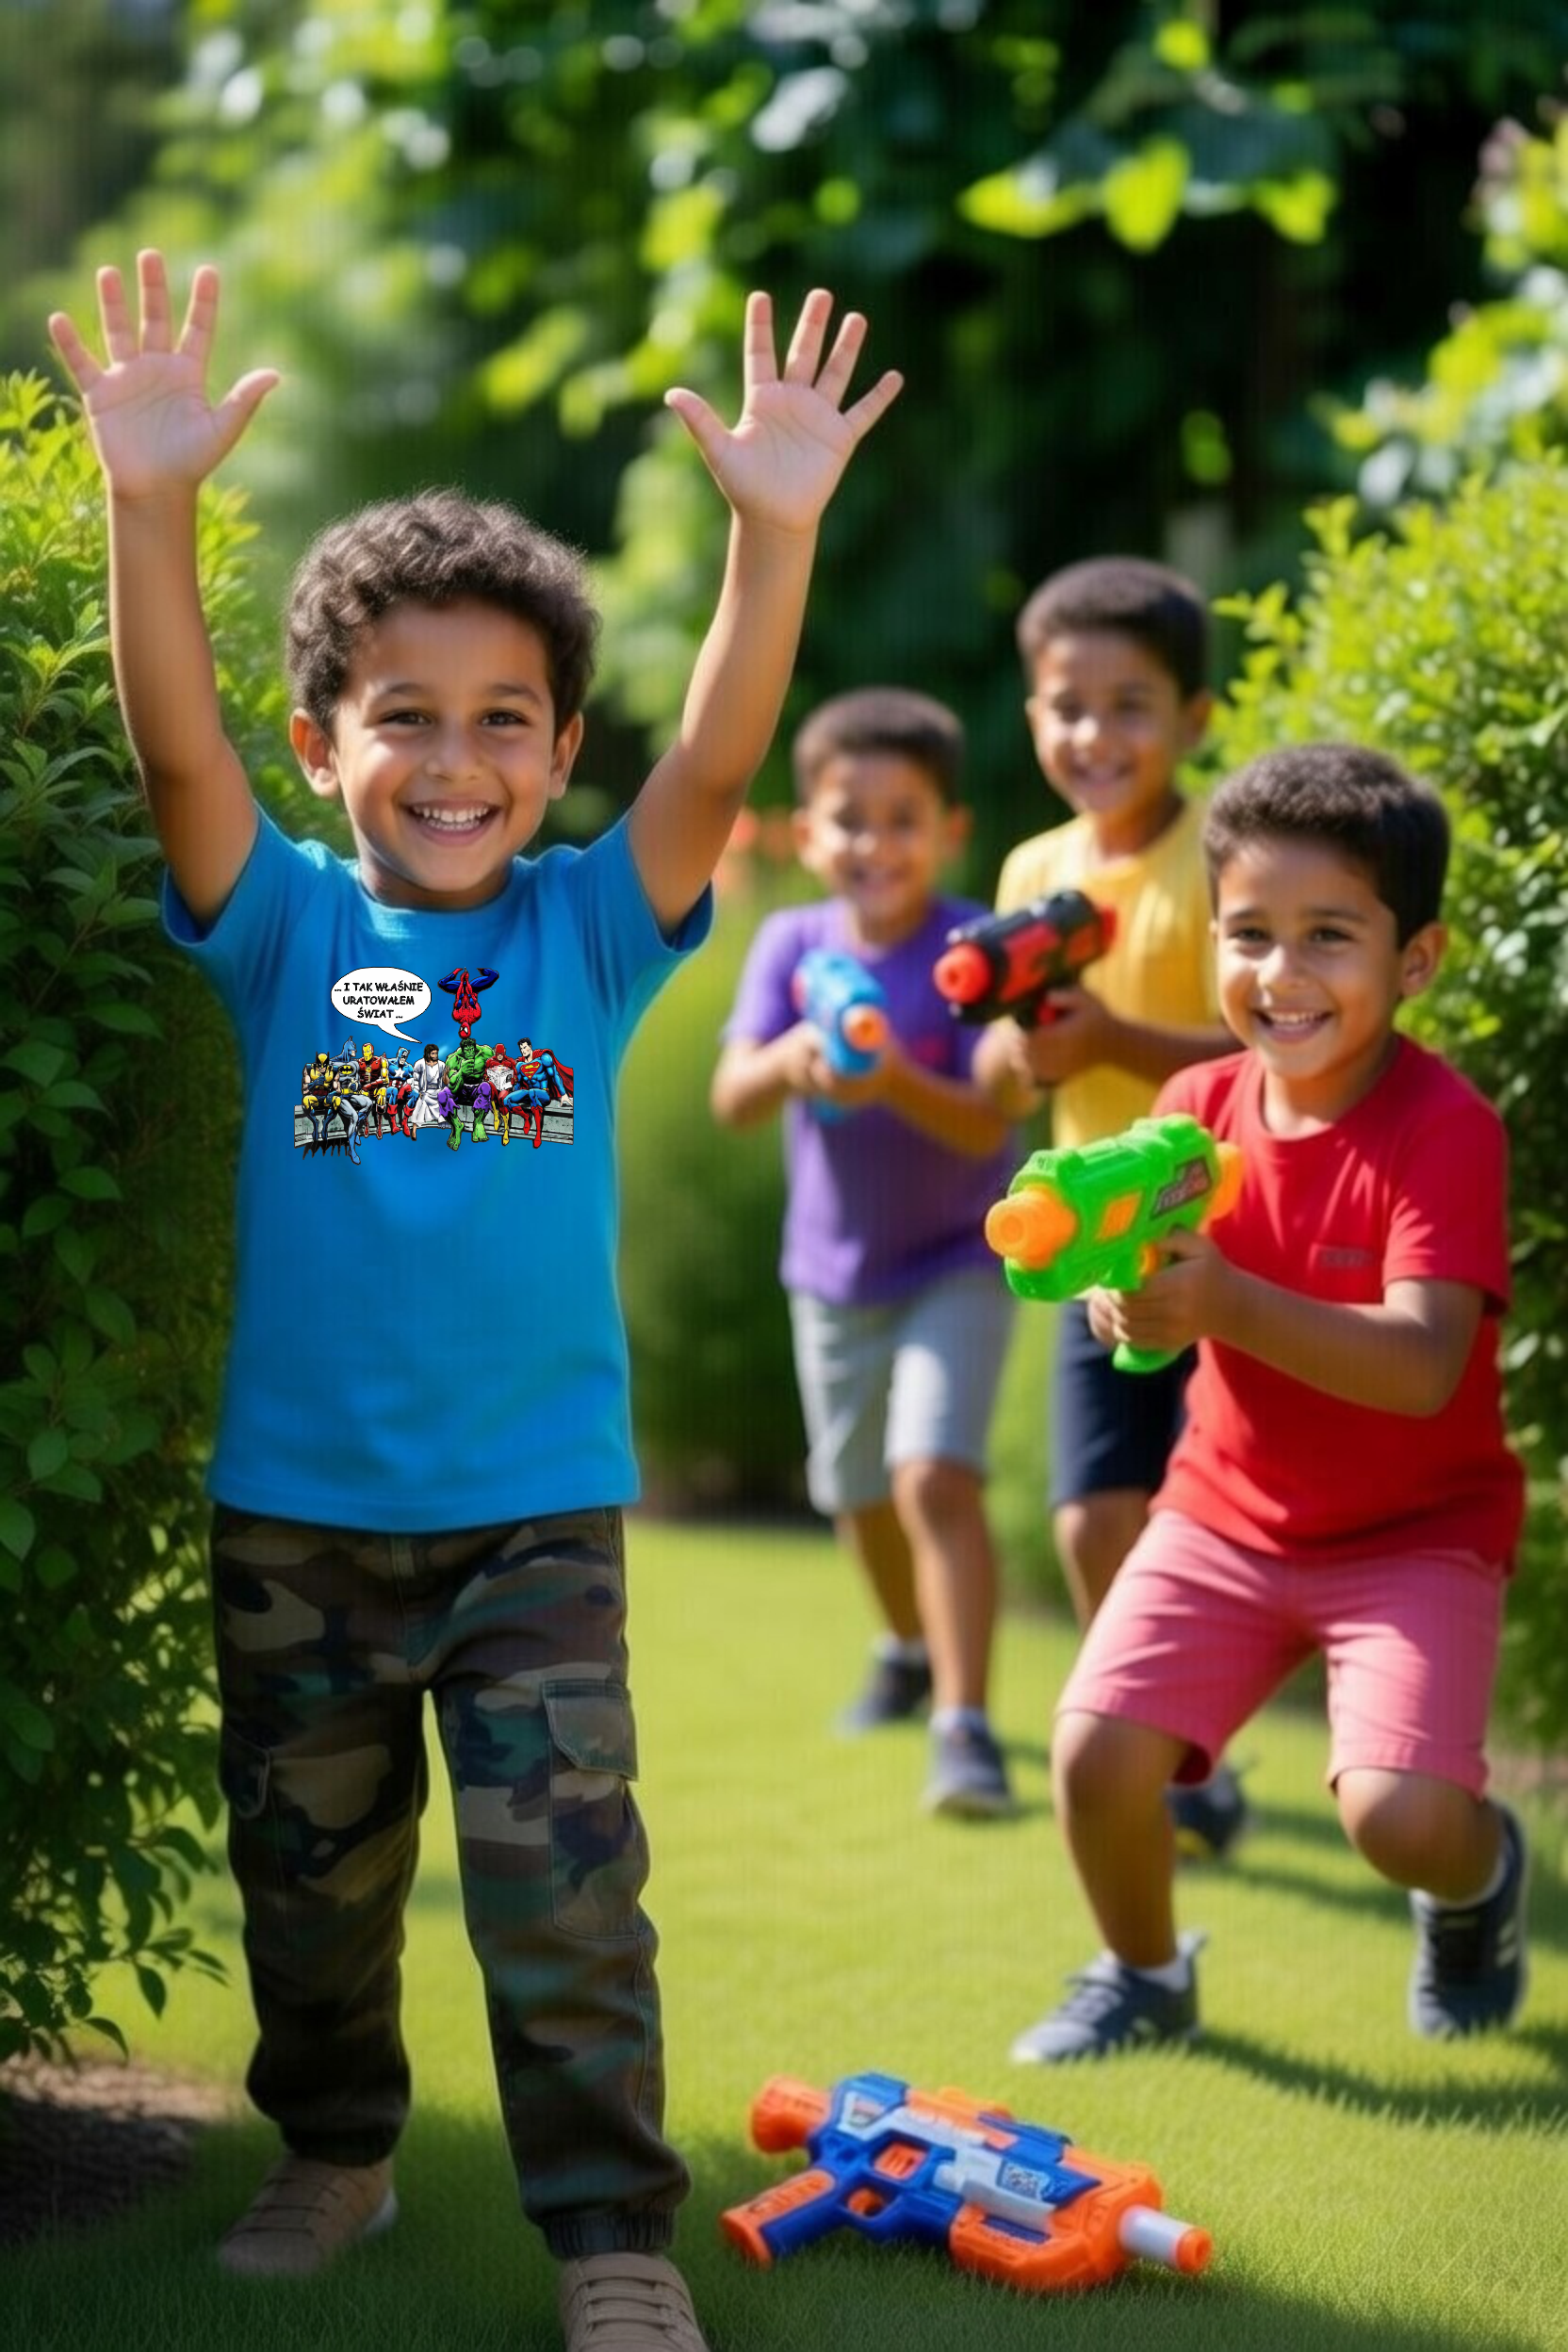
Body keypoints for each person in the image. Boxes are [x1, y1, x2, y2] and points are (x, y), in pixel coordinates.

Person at [50, 249, 899, 2350]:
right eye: (401, 718)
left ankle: (611, 2231)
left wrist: (767, 536)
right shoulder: (283, 927)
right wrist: (143, 508)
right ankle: (334, 2154)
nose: (454, 760)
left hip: (531, 1517)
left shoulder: (593, 932)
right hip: (298, 1524)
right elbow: (173, 762)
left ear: (554, 746)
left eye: (500, 721)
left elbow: (715, 760)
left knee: (561, 1895)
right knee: (312, 1900)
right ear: (324, 741)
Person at [1008, 743, 1529, 2063]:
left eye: (1328, 937)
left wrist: (1227, 1303)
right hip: (1226, 1517)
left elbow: (1420, 1369)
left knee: (1401, 1817)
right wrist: (1121, 1299)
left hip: (1416, 1535)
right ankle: (1145, 1975)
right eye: (1249, 934)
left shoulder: (1445, 1128)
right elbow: (1149, 1283)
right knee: (1094, 1760)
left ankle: (1478, 1885)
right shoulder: (1193, 1106)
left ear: (1414, 961)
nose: (1279, 975)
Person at [972, 556, 1244, 1859]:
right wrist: (1016, 1053)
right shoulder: (1035, 865)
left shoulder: (1225, 855)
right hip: (1091, 1251)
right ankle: (1171, 1746)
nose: (1095, 734)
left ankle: (1195, 1746)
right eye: (1066, 706)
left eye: (1131, 705)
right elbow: (999, 1047)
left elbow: (1266, 1047)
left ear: (1193, 721)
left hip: (1218, 1236)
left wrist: (1115, 1034)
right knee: (1092, 1517)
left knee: (1215, 1515)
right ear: (1033, 718)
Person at [710, 687, 1019, 1817]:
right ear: (805, 834)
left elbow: (988, 1124)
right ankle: (903, 1649)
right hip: (830, 1275)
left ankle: (965, 1726)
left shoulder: (969, 949)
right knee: (854, 1495)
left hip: (958, 1256)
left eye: (902, 819)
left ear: (949, 832)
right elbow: (731, 1095)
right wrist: (795, 1060)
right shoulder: (789, 943)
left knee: (932, 1474)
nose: (873, 843)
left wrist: (891, 1081)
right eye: (849, 818)